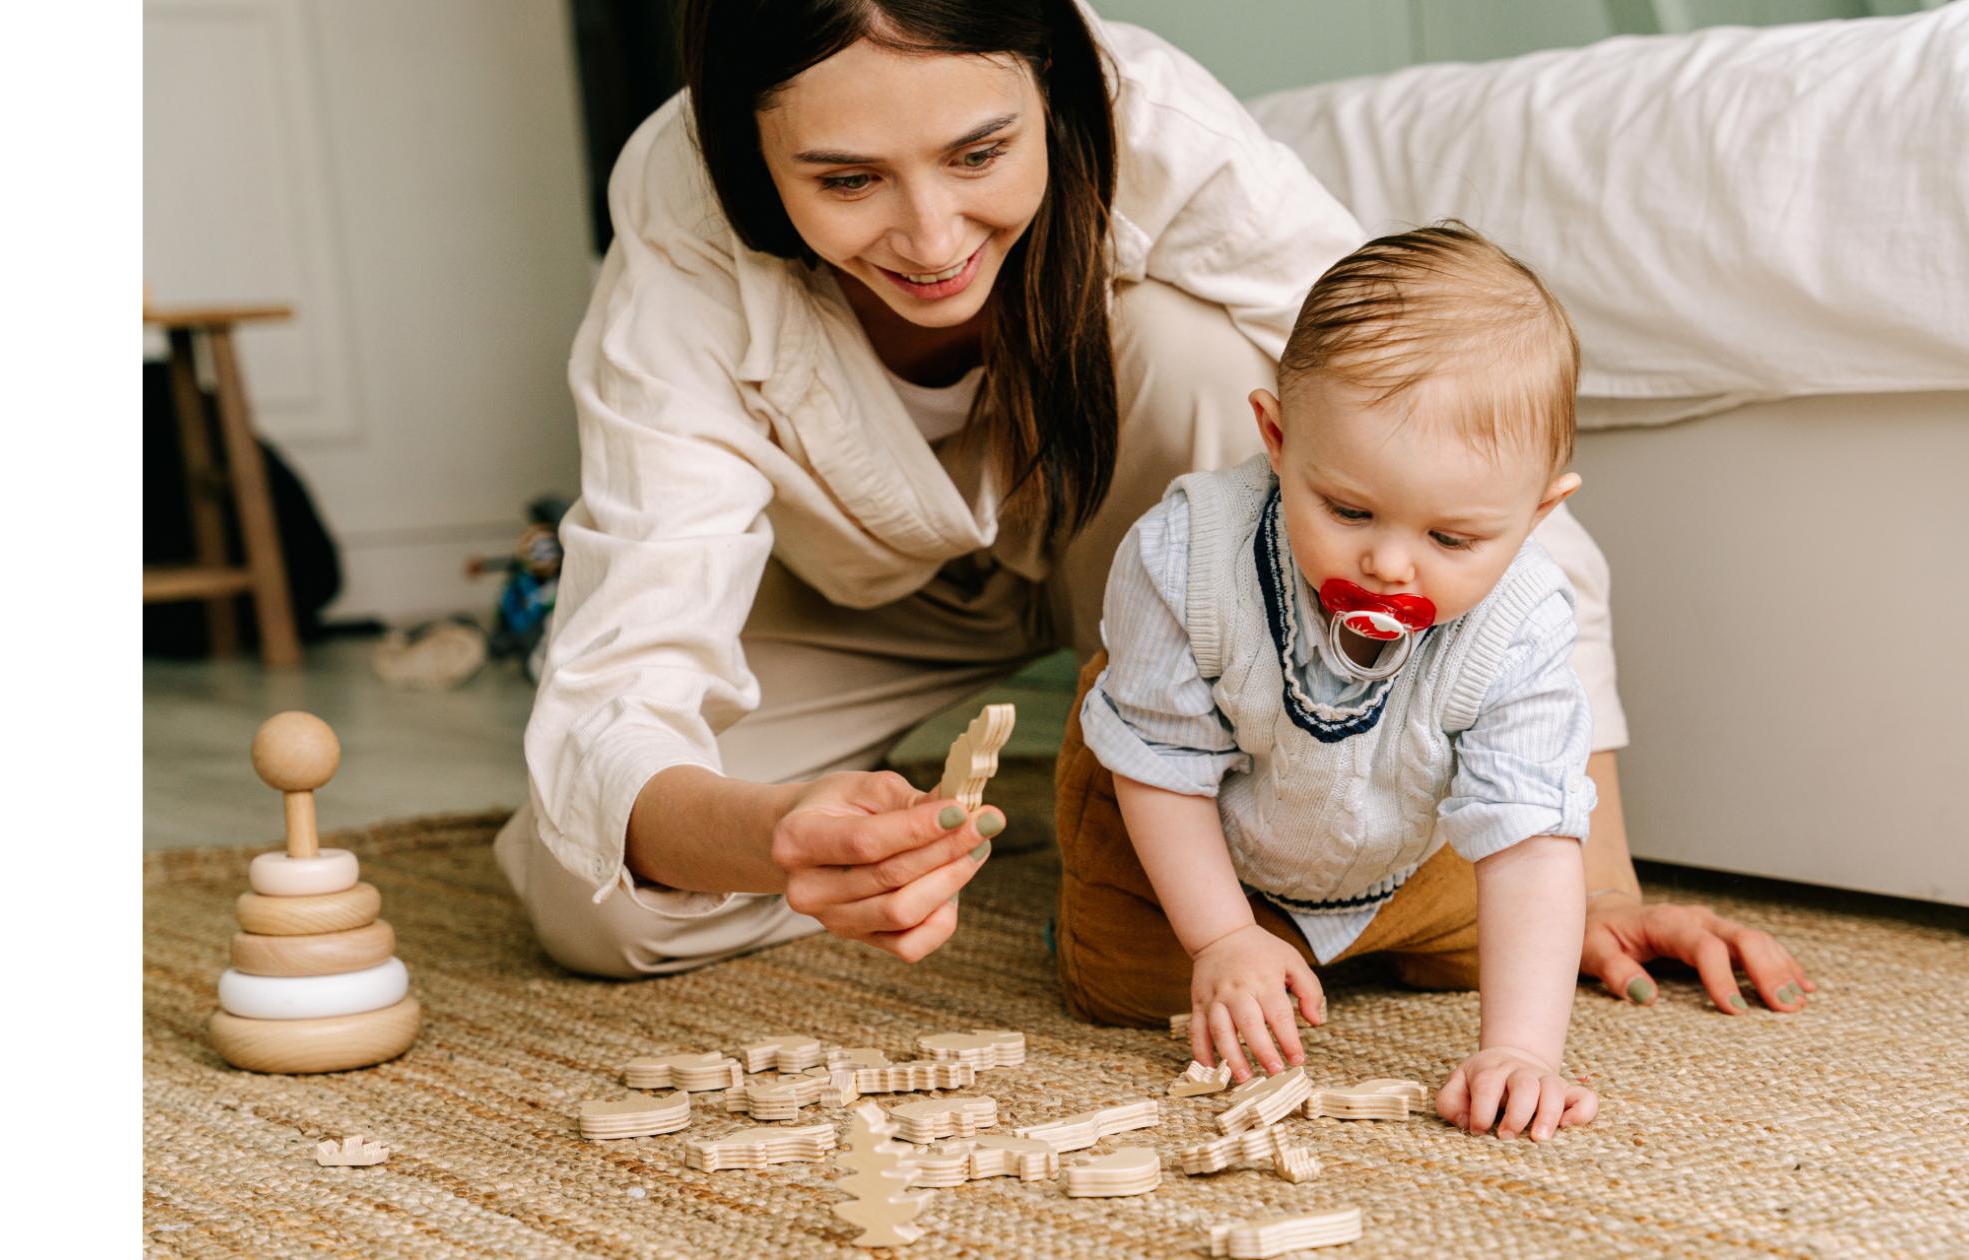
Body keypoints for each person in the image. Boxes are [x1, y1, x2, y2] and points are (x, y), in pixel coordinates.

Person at [494, 1, 1816, 1039]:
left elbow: (1461, 461)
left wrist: (1600, 887)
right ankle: (1099, 815)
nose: (931, 236)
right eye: (847, 181)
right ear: (746, 155)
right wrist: (777, 838)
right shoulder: (681, 228)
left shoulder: (1156, 124)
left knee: (1202, 352)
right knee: (604, 910)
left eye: (979, 153)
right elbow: (617, 695)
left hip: (1149, 556)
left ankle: (1211, 820)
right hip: (848, 600)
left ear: (1052, 91)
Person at [1054, 225, 1807, 1141]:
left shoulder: (1525, 617)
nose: (1387, 565)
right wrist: (1221, 938)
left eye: (1451, 540)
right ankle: (1219, 928)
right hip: (1188, 814)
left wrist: (1523, 1050)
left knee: (1522, 934)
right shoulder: (1186, 556)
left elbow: (1527, 834)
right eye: (1348, 509)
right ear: (1278, 438)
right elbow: (1164, 762)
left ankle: (1362, 941)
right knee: (1130, 986)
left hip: (1399, 837)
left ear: (1537, 515)